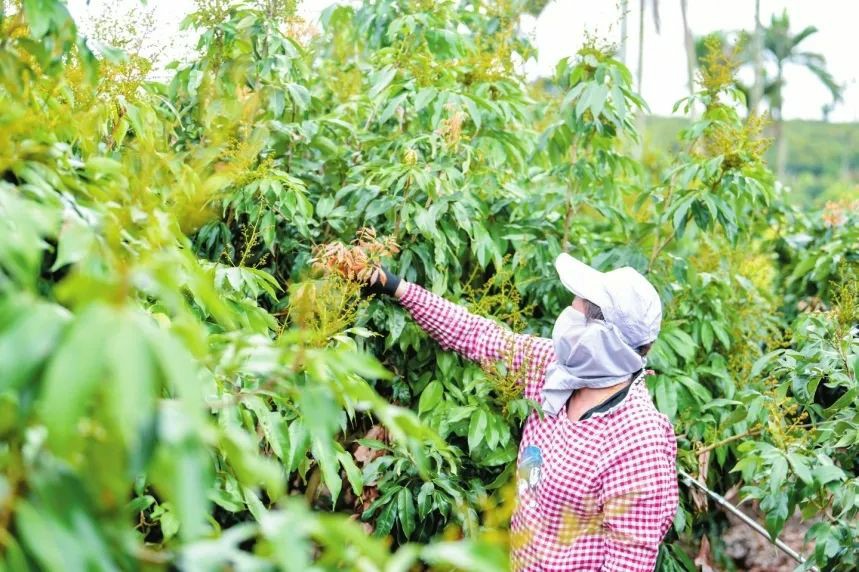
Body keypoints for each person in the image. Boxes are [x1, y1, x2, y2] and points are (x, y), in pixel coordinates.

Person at [362, 252, 679, 571]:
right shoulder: (554, 369)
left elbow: (628, 562)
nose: (569, 310)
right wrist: (397, 287)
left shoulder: (637, 444)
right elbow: (477, 336)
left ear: (599, 335)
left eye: (578, 305)